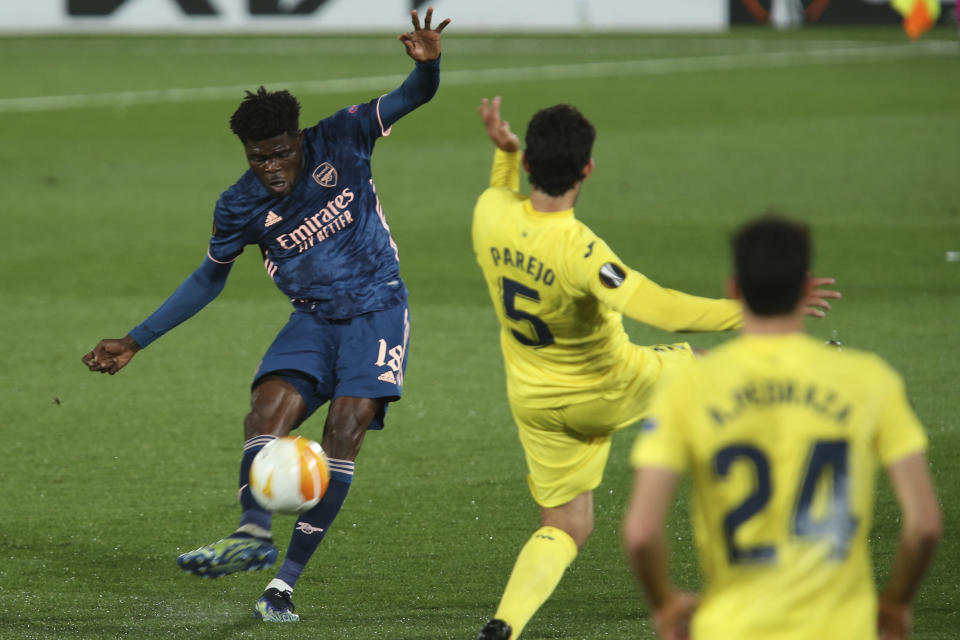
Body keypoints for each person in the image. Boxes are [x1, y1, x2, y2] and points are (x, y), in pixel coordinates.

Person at [81, 9, 450, 623]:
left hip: (378, 311)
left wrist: (429, 64)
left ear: (298, 139)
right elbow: (209, 278)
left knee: (346, 431)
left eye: (280, 153)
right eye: (259, 158)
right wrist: (137, 340)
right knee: (264, 414)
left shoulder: (344, 135)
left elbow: (413, 95)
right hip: (311, 319)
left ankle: (282, 585)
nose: (272, 168)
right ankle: (251, 534)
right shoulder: (238, 204)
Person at [470, 98, 840, 640]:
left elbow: (501, 191)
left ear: (529, 165)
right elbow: (662, 309)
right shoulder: (581, 250)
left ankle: (503, 626)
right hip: (614, 384)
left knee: (567, 524)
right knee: (708, 369)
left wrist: (503, 153)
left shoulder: (488, 214)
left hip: (536, 404)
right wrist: (760, 306)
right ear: (587, 169)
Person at [623, 216, 941, 640]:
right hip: (841, 628)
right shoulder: (870, 380)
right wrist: (896, 602)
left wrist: (664, 603)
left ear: (734, 290)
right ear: (805, 288)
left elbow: (641, 532)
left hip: (730, 628)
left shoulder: (692, 388)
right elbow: (924, 524)